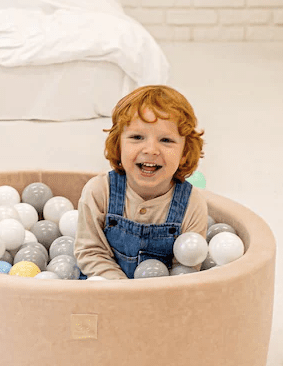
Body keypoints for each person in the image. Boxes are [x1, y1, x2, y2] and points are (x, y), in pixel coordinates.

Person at [74, 85, 207, 280]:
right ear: (118, 145)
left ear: (185, 153)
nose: (151, 149)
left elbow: (185, 269)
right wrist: (125, 291)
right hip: (105, 291)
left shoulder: (192, 204)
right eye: (137, 137)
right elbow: (90, 252)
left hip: (160, 299)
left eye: (166, 140)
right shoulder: (99, 191)